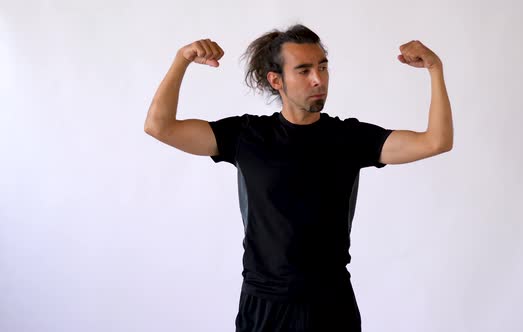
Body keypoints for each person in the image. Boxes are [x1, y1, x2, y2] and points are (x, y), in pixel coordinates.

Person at [144, 24, 453, 332]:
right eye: (304, 70)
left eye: (322, 67)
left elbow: (436, 141)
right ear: (276, 80)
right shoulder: (246, 136)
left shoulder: (348, 138)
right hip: (264, 305)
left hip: (332, 305)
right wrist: (181, 59)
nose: (318, 79)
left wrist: (435, 69)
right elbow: (160, 126)